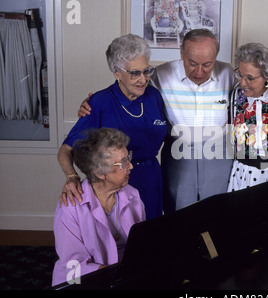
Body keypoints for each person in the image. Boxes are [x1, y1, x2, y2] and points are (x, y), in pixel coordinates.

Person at [79, 29, 237, 214]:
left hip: (218, 156)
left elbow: (252, 99)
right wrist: (93, 102)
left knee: (218, 215)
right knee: (179, 219)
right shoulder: (160, 75)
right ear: (181, 53)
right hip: (179, 155)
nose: (199, 71)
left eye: (207, 64)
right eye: (192, 63)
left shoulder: (229, 74)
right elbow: (130, 85)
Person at [58, 34, 167, 220]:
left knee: (151, 235)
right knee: (123, 240)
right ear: (117, 72)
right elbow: (65, 150)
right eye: (135, 73)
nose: (143, 79)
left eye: (147, 71)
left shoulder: (153, 96)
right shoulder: (100, 102)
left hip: (151, 177)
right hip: (117, 182)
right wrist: (71, 177)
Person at [52, 128, 145, 286]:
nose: (131, 166)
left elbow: (141, 246)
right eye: (123, 163)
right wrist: (117, 276)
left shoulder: (132, 195)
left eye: (128, 157)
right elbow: (73, 266)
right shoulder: (70, 207)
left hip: (125, 276)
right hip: (85, 282)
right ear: (100, 172)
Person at [228, 42, 268, 206]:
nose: (243, 83)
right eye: (240, 75)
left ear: (267, 77)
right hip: (241, 174)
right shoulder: (234, 97)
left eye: (250, 78)